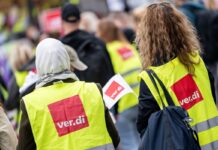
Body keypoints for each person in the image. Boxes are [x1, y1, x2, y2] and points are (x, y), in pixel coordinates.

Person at [136, 2, 218, 149]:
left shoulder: (151, 78)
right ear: (181, 28)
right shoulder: (196, 61)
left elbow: (146, 128)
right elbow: (211, 97)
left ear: (146, 35)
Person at [17, 38, 120, 150]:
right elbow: (114, 138)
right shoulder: (92, 90)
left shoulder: (31, 103)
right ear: (66, 59)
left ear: (39, 65)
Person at [96, 19, 141, 150]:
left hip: (123, 103)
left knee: (129, 144)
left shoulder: (107, 51)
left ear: (102, 33)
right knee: (141, 140)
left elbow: (109, 78)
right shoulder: (128, 46)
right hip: (140, 99)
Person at [61, 3, 115, 87]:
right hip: (100, 96)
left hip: (75, 98)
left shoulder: (58, 48)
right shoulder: (97, 42)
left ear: (62, 21)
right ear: (80, 20)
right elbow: (110, 74)